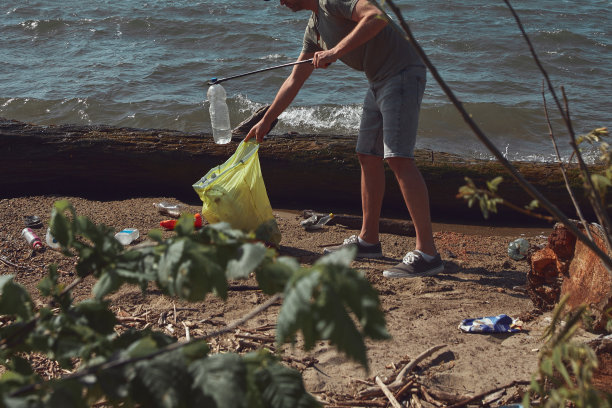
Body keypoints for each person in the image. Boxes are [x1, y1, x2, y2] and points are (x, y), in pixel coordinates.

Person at [245, 0, 443, 278]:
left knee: (398, 158)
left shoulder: (331, 1)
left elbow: (377, 17)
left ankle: (428, 254)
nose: (280, 1)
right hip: (378, 81)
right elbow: (295, 78)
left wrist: (335, 51)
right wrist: (266, 120)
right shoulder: (314, 29)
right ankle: (368, 240)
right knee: (367, 155)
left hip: (402, 74)